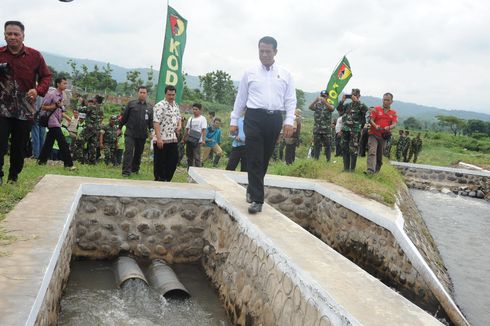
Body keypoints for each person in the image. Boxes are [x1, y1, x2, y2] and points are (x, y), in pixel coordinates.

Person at [230, 36, 296, 214]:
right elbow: (241, 98)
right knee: (254, 157)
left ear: (275, 52)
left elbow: (290, 100)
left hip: (274, 119)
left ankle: (252, 189)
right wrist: (234, 120)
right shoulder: (249, 73)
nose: (264, 54)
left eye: (268, 51)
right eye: (261, 51)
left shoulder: (286, 74)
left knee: (265, 158)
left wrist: (289, 121)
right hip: (254, 117)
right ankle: (258, 199)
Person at [0, 21, 52, 184]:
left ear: (23, 36)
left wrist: (38, 90)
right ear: (4, 35)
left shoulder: (35, 56)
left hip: (25, 109)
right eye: (9, 34)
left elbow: (46, 76)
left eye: (16, 34)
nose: (13, 37)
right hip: (2, 108)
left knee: (18, 145)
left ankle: (13, 177)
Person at [37, 77, 75, 169]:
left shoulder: (62, 94)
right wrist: (55, 105)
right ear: (58, 84)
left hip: (57, 121)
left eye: (66, 83)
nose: (65, 85)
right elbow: (43, 107)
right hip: (52, 121)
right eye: (64, 83)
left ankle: (41, 161)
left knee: (48, 142)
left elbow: (60, 109)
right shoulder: (51, 94)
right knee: (63, 143)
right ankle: (68, 164)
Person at [120, 86, 153, 177]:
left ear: (146, 94)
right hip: (130, 133)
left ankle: (135, 169)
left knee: (138, 153)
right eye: (141, 92)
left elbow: (151, 122)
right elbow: (124, 118)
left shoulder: (150, 107)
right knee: (129, 152)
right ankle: (126, 172)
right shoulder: (131, 104)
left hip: (142, 135)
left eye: (144, 93)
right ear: (138, 93)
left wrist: (152, 132)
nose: (142, 94)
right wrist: (119, 128)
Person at [152, 85, 181, 182]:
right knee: (160, 161)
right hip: (161, 138)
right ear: (165, 94)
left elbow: (179, 117)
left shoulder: (176, 106)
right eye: (169, 95)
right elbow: (156, 122)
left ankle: (167, 179)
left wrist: (179, 125)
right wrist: (159, 138)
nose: (171, 97)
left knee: (173, 160)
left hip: (172, 137)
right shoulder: (160, 105)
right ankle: (159, 179)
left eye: (173, 95)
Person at [336, 88, 368, 172]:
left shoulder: (361, 105)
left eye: (355, 95)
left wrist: (357, 101)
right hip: (345, 129)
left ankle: (352, 169)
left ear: (359, 96)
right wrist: (342, 101)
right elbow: (339, 110)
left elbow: (366, 110)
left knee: (353, 149)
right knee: (344, 148)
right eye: (352, 95)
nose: (353, 96)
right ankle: (346, 168)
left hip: (355, 131)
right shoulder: (348, 105)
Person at [365, 93, 398, 174]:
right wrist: (375, 125)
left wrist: (389, 127)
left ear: (391, 101)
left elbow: (394, 124)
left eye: (388, 100)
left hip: (383, 136)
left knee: (379, 155)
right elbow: (371, 120)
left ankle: (376, 170)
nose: (385, 101)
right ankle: (370, 170)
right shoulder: (376, 109)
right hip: (373, 134)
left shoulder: (393, 113)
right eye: (384, 100)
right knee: (372, 151)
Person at [309, 90, 334, 161]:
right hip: (317, 129)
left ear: (327, 96)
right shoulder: (317, 105)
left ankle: (328, 160)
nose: (323, 97)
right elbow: (310, 107)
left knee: (328, 145)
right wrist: (315, 101)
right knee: (316, 145)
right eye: (322, 96)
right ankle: (316, 159)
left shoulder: (330, 104)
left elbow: (332, 109)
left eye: (324, 96)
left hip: (326, 130)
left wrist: (325, 102)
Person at [184, 103, 207, 168]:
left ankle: (197, 172)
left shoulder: (202, 119)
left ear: (200, 110)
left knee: (197, 157)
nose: (194, 111)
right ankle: (189, 171)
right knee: (189, 157)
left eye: (196, 109)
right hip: (190, 140)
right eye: (193, 109)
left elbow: (204, 130)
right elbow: (187, 129)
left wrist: (203, 140)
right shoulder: (190, 119)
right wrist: (184, 139)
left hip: (198, 141)